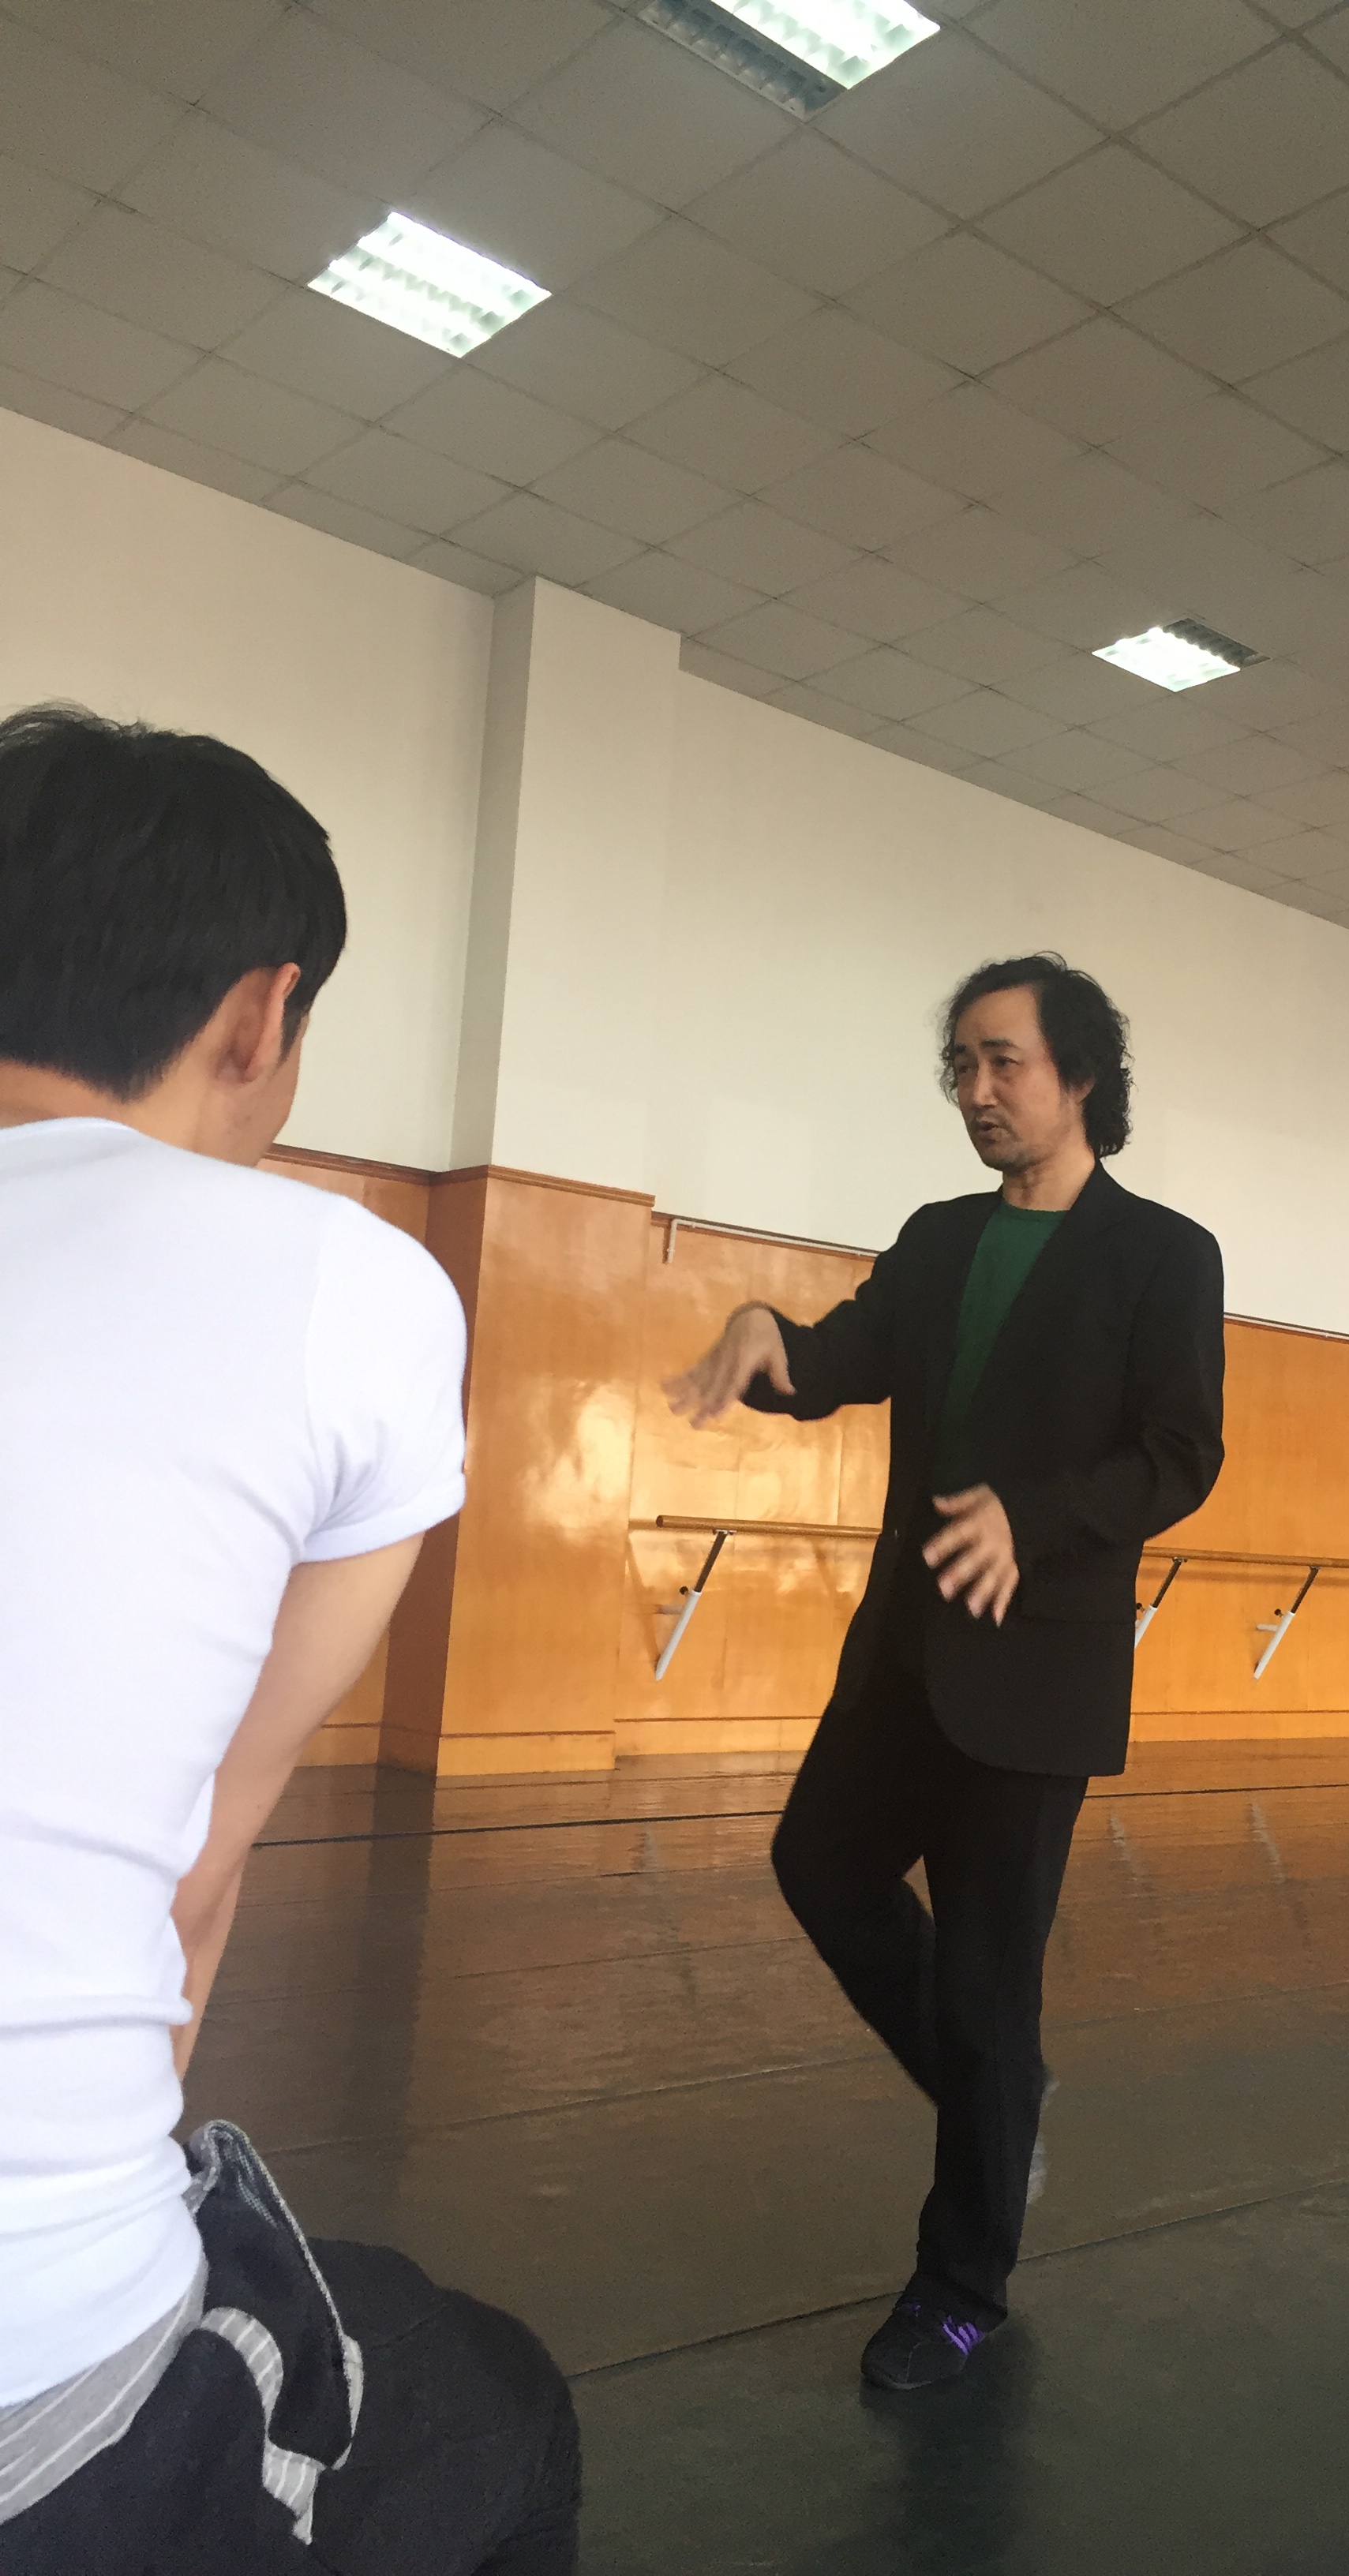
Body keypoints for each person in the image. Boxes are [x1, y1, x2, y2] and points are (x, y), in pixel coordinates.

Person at [0, 706, 579, 2570]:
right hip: (41, 2377)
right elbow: (197, 1863)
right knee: (495, 2408)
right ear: (261, 1018)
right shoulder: (351, 1288)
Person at [665, 953, 1224, 2391]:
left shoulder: (1163, 1255)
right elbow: (842, 1359)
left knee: (987, 1988)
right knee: (818, 1865)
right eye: (961, 1067)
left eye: (1002, 1062)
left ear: (1080, 1075)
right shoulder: (937, 1238)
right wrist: (767, 1338)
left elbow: (1180, 1456)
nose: (976, 1090)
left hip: (1037, 1680)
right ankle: (1000, 2098)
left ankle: (962, 2287)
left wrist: (1038, 1521)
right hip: (908, 1656)